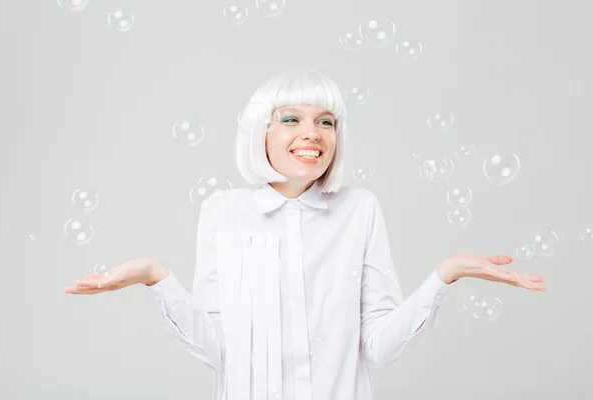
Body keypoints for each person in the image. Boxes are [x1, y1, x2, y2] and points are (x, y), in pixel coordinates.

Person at [64, 68, 546, 400]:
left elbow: (380, 346)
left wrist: (445, 276)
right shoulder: (223, 212)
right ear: (261, 134)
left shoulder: (360, 209)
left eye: (326, 121)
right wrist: (156, 278)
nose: (312, 133)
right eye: (291, 119)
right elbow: (218, 349)